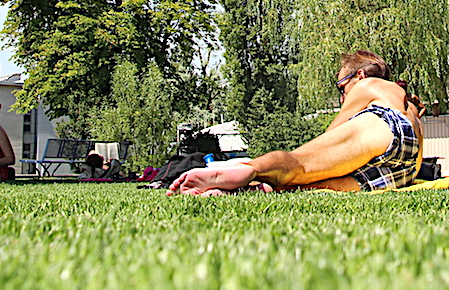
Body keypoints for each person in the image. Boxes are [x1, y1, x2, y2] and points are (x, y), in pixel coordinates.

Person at [169, 50, 424, 194]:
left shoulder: (368, 85)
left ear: (358, 75)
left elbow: (331, 133)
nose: (342, 94)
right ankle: (247, 190)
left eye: (341, 86)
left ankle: (247, 169)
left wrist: (304, 157)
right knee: (314, 185)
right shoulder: (406, 102)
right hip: (407, 165)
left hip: (382, 128)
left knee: (299, 164)